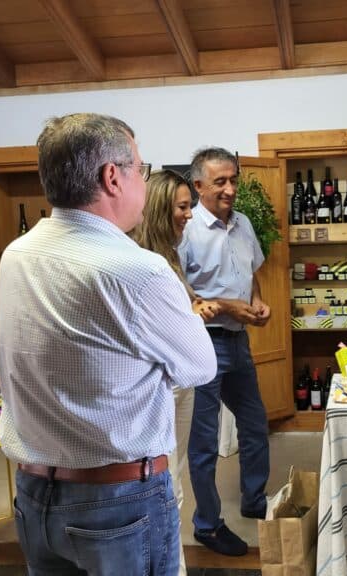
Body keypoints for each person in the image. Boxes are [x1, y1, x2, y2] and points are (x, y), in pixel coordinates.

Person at [0, 113, 217, 576]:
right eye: (141, 167)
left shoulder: (16, 255)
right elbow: (200, 367)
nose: (144, 178)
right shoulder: (138, 270)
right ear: (112, 177)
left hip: (36, 493)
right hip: (117, 501)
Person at [179, 147, 271, 557]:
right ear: (198, 185)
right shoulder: (185, 229)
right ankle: (207, 525)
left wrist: (257, 301)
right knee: (204, 441)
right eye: (220, 181)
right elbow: (181, 294)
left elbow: (252, 275)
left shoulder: (244, 223)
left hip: (238, 341)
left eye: (233, 180)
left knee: (254, 423)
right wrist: (229, 306)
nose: (230, 188)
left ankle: (254, 501)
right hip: (204, 344)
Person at [130, 169, 219, 576]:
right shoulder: (142, 264)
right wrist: (192, 319)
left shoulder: (168, 257)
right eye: (183, 207)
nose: (188, 215)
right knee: (167, 484)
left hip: (179, 386)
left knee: (175, 478)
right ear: (161, 208)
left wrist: (193, 308)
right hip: (162, 391)